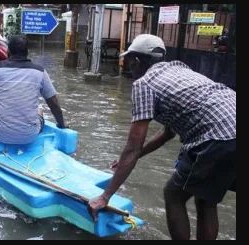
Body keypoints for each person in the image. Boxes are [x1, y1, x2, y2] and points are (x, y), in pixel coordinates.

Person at [88, 34, 236, 240]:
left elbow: (133, 146)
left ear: (137, 61)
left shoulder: (144, 84)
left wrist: (105, 196)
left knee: (173, 195)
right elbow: (167, 133)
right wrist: (137, 157)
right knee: (206, 200)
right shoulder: (179, 69)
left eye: (130, 61)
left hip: (217, 136)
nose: (130, 67)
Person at [0, 35, 68, 144]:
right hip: (29, 135)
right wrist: (61, 124)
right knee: (39, 109)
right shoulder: (40, 71)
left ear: (8, 50)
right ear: (27, 51)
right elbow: (54, 103)